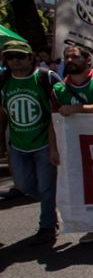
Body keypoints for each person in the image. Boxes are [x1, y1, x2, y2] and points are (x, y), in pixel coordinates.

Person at [52, 45, 93, 243]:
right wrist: (54, 148)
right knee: (87, 187)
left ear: (87, 61)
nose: (70, 60)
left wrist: (77, 109)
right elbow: (53, 121)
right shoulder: (58, 89)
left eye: (75, 57)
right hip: (75, 148)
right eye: (67, 57)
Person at [0, 40, 61, 245]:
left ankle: (47, 226)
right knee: (24, 185)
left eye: (19, 56)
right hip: (17, 144)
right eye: (10, 57)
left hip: (45, 142)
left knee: (46, 186)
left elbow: (60, 108)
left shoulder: (46, 77)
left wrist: (56, 143)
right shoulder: (3, 80)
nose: (15, 60)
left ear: (30, 57)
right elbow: (2, 112)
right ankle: (51, 207)